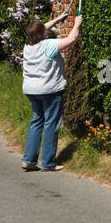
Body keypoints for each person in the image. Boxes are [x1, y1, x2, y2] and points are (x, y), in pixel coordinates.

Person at [21, 10, 81, 172]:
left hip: (32, 91)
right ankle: (48, 162)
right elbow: (71, 39)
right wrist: (77, 24)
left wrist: (57, 19)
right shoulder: (49, 45)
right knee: (51, 124)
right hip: (50, 91)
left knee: (37, 122)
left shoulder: (28, 45)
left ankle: (29, 160)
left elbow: (40, 30)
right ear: (43, 34)